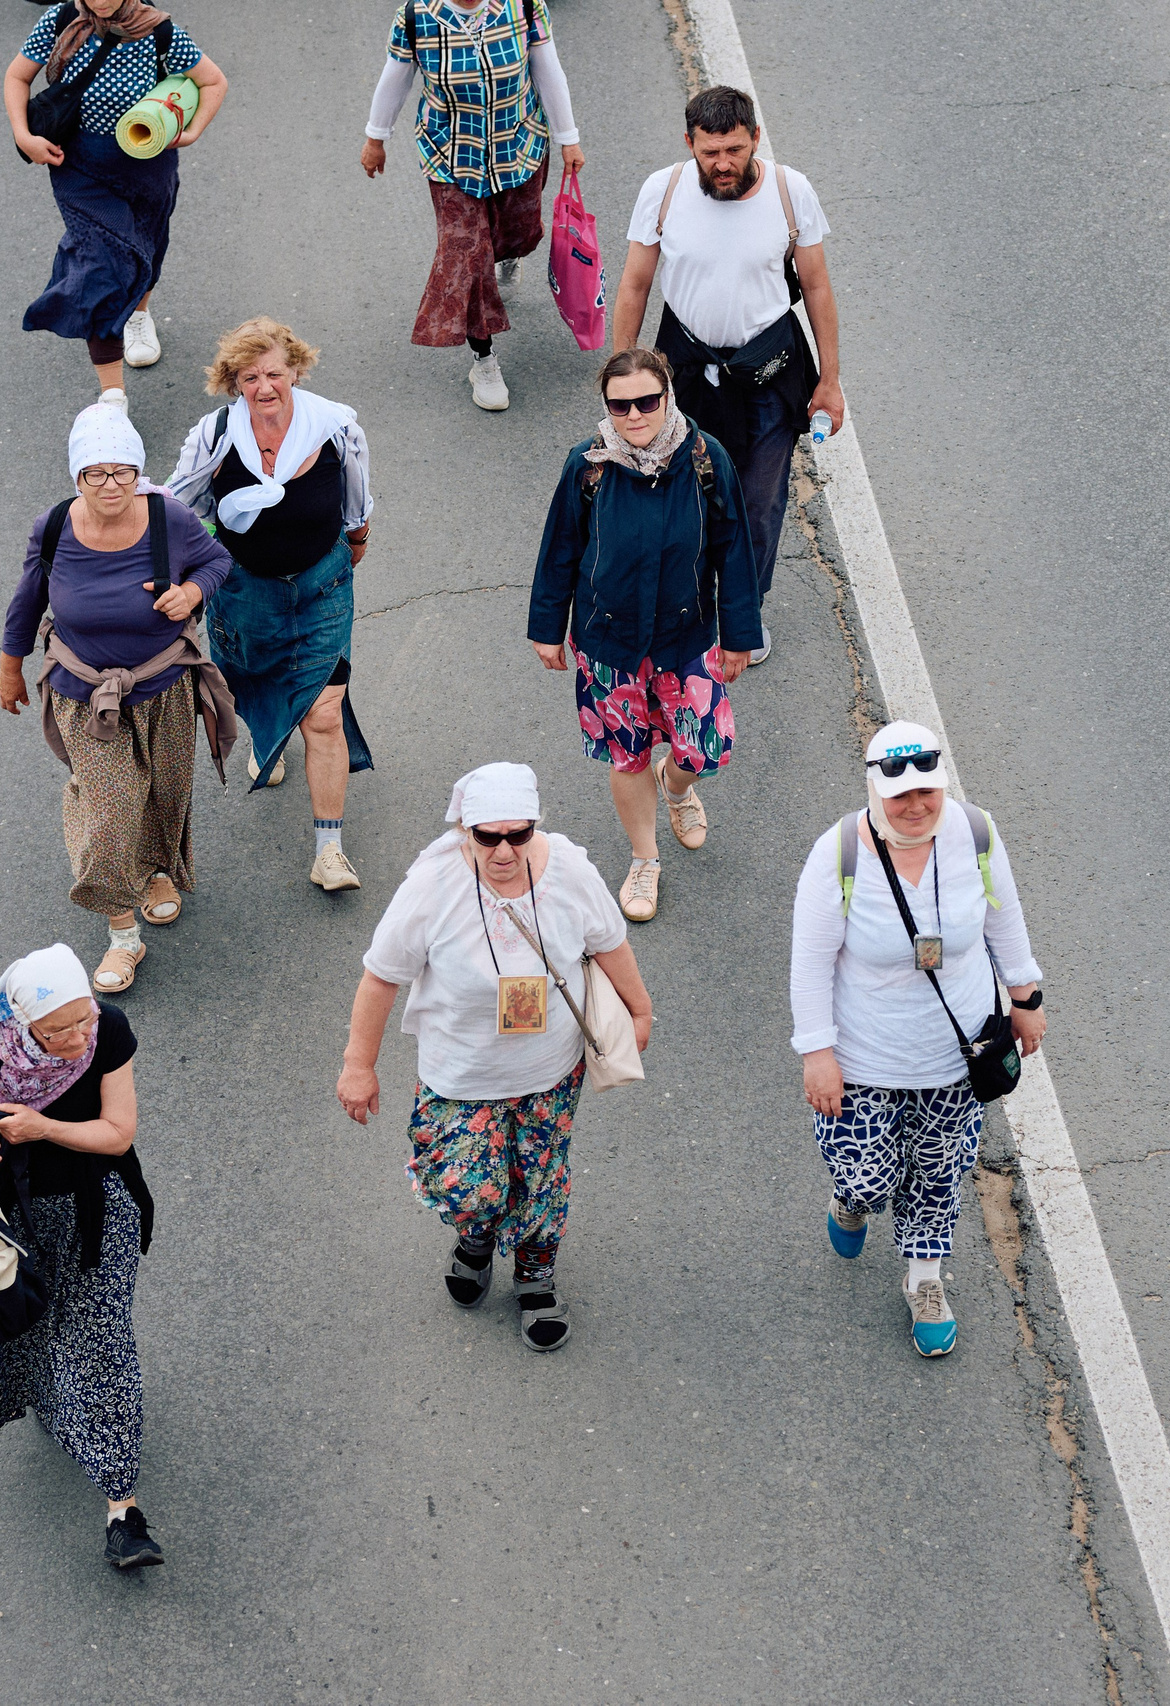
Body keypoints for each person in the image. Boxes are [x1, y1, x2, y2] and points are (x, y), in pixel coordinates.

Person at [335, 763, 651, 1352]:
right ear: (465, 830)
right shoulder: (432, 886)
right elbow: (381, 976)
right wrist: (359, 1065)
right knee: (470, 1189)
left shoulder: (570, 870)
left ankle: (535, 1277)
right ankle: (476, 1236)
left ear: (534, 826)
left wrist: (641, 1011)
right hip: (460, 1075)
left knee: (541, 1178)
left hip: (549, 1071)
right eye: (488, 837)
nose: (504, 851)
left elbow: (609, 942)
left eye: (518, 834)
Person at [788, 724, 1046, 1357]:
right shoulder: (839, 852)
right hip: (865, 1054)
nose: (915, 806)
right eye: (899, 795)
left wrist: (1025, 998)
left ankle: (924, 1280)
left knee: (938, 1171)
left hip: (956, 1054)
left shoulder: (975, 833)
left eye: (926, 791)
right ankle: (851, 1201)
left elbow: (1003, 917)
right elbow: (810, 963)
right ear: (874, 790)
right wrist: (817, 1053)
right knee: (869, 1177)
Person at [0, 403, 238, 994]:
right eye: (96, 473)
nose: (111, 484)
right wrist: (10, 669)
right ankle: (123, 934)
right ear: (77, 476)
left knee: (164, 790)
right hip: (86, 698)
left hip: (164, 687)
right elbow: (28, 600)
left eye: (123, 471)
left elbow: (217, 560)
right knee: (110, 810)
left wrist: (192, 592)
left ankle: (156, 872)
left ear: (138, 471)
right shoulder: (54, 527)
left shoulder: (169, 518)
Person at [610, 84, 845, 665]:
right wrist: (623, 380)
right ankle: (688, 606)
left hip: (769, 371)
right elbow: (636, 284)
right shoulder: (662, 191)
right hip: (684, 369)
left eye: (735, 150)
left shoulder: (790, 191)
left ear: (755, 139)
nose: (723, 164)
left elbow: (817, 287)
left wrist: (830, 381)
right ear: (689, 143)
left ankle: (743, 611)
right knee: (681, 496)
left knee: (758, 503)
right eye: (710, 152)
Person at [0, 944, 162, 1568]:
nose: (76, 1038)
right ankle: (53, 1398)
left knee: (101, 1339)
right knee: (30, 1323)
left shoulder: (108, 1030)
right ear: (24, 1025)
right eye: (56, 1031)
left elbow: (117, 1133)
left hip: (98, 1208)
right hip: (16, 1216)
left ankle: (124, 1510)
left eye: (82, 1019)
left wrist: (42, 1128)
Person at [528, 349, 760, 925]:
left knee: (702, 748)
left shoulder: (706, 460)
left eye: (646, 401)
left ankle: (676, 788)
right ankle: (644, 859)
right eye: (620, 405)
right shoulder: (588, 465)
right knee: (628, 756)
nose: (634, 415)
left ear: (668, 397)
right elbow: (560, 549)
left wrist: (739, 635)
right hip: (609, 644)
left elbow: (733, 549)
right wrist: (547, 628)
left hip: (687, 637)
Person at [164, 318, 376, 892]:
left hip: (321, 586)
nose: (264, 387)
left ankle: (329, 851)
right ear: (233, 382)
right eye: (250, 377)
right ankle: (269, 736)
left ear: (296, 371)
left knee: (324, 714)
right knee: (250, 681)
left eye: (274, 374)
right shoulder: (214, 435)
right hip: (243, 590)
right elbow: (179, 506)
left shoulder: (335, 427)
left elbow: (356, 499)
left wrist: (356, 539)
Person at [359, 0, 583, 412]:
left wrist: (568, 137)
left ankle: (505, 255)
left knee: (519, 232)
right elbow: (395, 79)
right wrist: (376, 137)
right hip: (449, 155)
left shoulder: (524, 6)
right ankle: (484, 358)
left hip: (518, 145)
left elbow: (548, 71)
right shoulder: (415, 17)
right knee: (465, 256)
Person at [7, 0, 229, 408]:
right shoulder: (61, 20)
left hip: (148, 164)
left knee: (146, 246)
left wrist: (193, 131)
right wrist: (24, 135)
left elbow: (213, 81)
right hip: (80, 166)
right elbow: (18, 76)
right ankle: (113, 394)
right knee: (100, 266)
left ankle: (138, 316)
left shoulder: (157, 29)